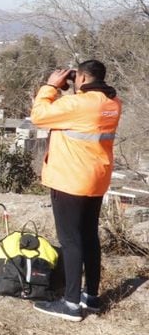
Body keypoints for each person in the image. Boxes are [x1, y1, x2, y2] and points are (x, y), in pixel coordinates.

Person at [29, 59, 121, 321]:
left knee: (70, 240)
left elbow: (39, 116)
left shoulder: (77, 104)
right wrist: (75, 89)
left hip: (71, 181)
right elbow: (81, 118)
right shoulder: (113, 102)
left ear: (81, 78)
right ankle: (91, 297)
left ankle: (70, 304)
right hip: (97, 179)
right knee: (89, 237)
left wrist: (50, 86)